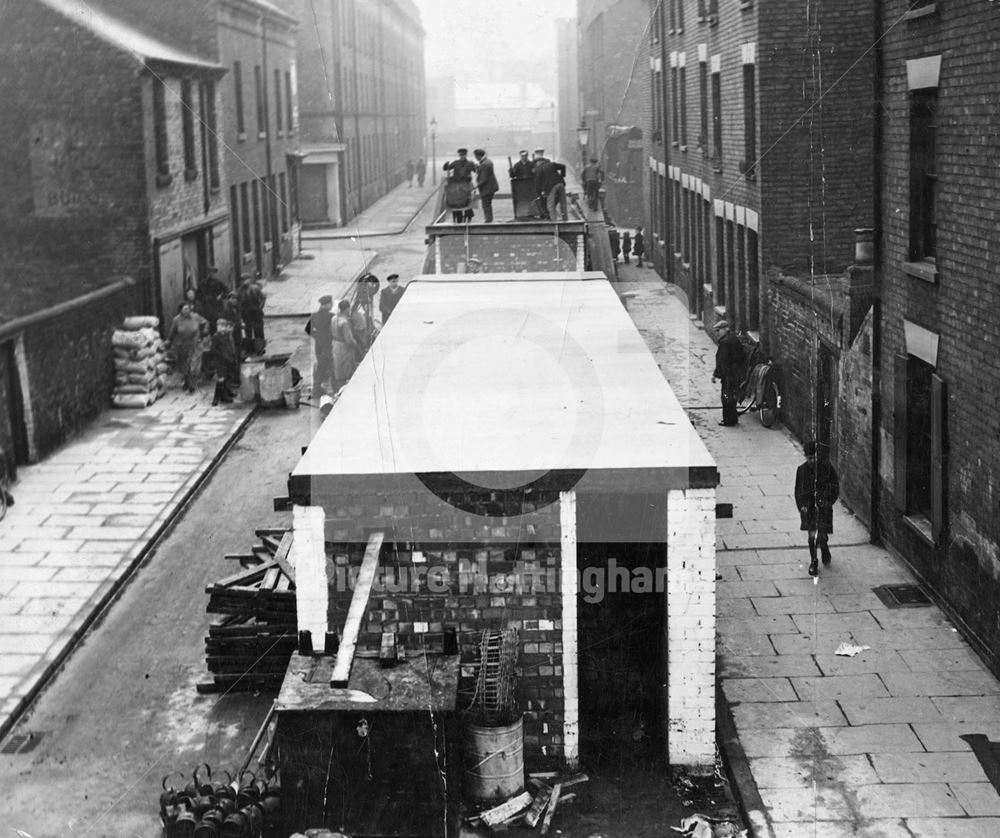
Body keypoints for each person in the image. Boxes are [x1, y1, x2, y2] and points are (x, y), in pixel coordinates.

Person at [795, 440, 841, 577]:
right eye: (809, 458)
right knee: (811, 537)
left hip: (823, 508)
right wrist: (801, 506)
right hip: (809, 510)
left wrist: (828, 501)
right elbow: (798, 491)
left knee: (821, 535)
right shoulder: (801, 470)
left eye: (814, 457)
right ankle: (813, 561)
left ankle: (824, 547)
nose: (812, 460)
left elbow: (835, 486)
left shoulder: (827, 468)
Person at [169, 300, 208, 393]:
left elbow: (205, 322)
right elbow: (172, 332)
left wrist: (204, 332)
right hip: (184, 344)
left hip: (196, 343)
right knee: (186, 365)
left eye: (188, 308)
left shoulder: (196, 316)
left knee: (194, 365)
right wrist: (169, 341)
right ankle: (188, 382)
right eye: (185, 309)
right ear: (180, 310)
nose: (187, 310)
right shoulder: (177, 319)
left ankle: (191, 383)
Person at [712, 320, 745, 427]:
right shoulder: (733, 338)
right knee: (732, 397)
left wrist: (716, 375)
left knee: (726, 398)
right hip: (736, 373)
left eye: (718, 330)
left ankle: (728, 421)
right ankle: (733, 419)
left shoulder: (725, 342)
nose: (717, 333)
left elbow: (721, 360)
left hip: (729, 375)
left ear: (725, 329)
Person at [305, 295, 335, 397]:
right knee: (327, 366)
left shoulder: (314, 316)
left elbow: (307, 328)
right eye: (331, 303)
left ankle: (318, 388)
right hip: (328, 344)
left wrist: (316, 336)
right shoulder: (331, 316)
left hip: (319, 344)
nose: (332, 305)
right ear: (326, 305)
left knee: (321, 365)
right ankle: (319, 389)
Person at [208, 318, 239, 405]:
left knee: (226, 378)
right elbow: (212, 350)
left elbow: (230, 347)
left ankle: (224, 396)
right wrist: (221, 355)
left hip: (228, 360)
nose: (222, 328)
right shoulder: (216, 337)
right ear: (217, 327)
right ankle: (215, 399)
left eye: (224, 326)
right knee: (221, 379)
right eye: (220, 326)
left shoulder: (226, 335)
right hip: (220, 361)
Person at [332, 299, 360, 389]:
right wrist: (357, 347)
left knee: (338, 369)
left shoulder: (334, 318)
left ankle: (337, 388)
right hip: (344, 348)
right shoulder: (345, 322)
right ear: (347, 309)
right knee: (346, 371)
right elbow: (349, 340)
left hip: (335, 346)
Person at [443, 148, 477, 223]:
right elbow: (447, 168)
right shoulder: (456, 163)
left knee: (467, 200)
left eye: (463, 155)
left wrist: (475, 166)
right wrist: (446, 165)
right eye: (461, 155)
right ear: (459, 155)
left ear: (466, 155)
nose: (462, 156)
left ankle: (468, 215)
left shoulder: (470, 163)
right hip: (456, 185)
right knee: (456, 201)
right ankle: (458, 217)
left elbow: (476, 170)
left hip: (466, 184)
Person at [534, 150, 568, 221]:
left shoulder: (539, 169)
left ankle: (554, 221)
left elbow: (538, 182)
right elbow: (563, 166)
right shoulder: (551, 164)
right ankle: (565, 220)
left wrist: (538, 194)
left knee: (550, 206)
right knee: (563, 204)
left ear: (538, 162)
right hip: (560, 184)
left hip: (551, 187)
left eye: (536, 163)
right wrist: (562, 176)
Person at [238, 275, 266, 356]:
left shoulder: (255, 288)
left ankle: (260, 349)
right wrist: (240, 313)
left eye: (246, 279)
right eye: (243, 280)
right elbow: (239, 303)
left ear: (249, 280)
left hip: (256, 313)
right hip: (246, 314)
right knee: (248, 332)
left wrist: (260, 307)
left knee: (259, 332)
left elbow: (263, 297)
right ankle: (250, 349)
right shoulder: (240, 291)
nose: (244, 281)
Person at [473, 148, 499, 223]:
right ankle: (489, 219)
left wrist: (476, 187)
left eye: (475, 156)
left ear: (478, 156)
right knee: (488, 203)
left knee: (485, 204)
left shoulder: (484, 164)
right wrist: (478, 168)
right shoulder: (488, 161)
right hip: (491, 187)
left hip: (487, 188)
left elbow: (483, 179)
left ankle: (488, 220)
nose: (475, 158)